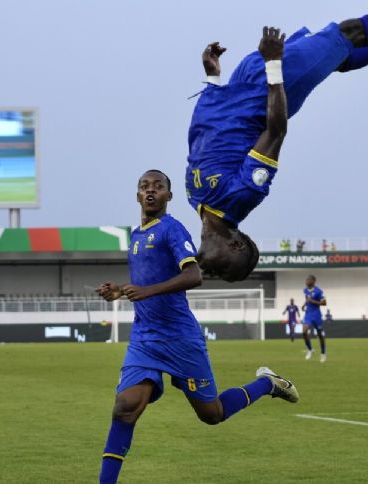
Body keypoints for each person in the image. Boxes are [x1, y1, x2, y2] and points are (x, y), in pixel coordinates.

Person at [187, 2, 368, 282]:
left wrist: (213, 77)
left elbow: (205, 133)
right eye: (222, 269)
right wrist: (273, 65)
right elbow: (275, 131)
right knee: (348, 33)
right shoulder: (242, 197)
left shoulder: (194, 198)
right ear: (235, 245)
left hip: (237, 83)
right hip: (265, 94)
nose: (210, 272)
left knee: (336, 56)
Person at [95, 170, 298, 484]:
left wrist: (145, 292)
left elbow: (193, 276)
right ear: (137, 195)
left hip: (180, 339)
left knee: (212, 414)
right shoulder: (135, 236)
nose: (150, 191)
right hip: (145, 338)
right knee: (125, 408)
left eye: (158, 187)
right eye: (144, 187)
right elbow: (147, 280)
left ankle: (268, 384)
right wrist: (121, 290)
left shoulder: (172, 230)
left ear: (168, 196)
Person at [301, 275, 327, 362]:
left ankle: (323, 353)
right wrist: (304, 305)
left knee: (320, 334)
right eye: (306, 279)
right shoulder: (305, 290)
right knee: (304, 331)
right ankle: (310, 349)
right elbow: (307, 299)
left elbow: (324, 303)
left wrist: (313, 301)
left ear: (313, 281)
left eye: (308, 280)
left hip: (316, 315)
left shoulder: (318, 291)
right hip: (308, 314)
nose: (306, 281)